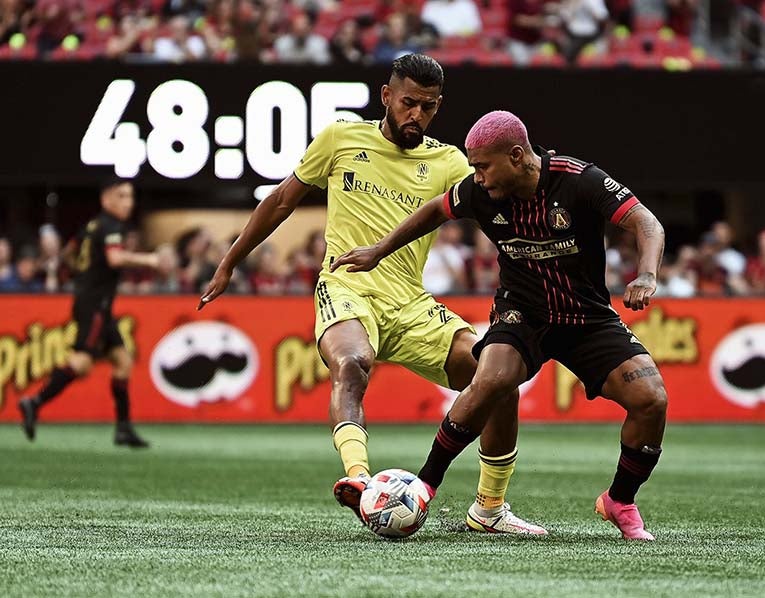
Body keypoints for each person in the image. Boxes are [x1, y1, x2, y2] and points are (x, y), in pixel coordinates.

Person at [198, 56, 544, 534]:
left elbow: (497, 205)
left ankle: (489, 508)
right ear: (386, 96)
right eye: (408, 103)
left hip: (411, 303)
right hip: (346, 288)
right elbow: (281, 200)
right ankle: (360, 481)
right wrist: (230, 261)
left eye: (427, 107)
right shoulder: (341, 139)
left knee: (497, 378)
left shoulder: (448, 163)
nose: (416, 116)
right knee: (352, 363)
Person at [332, 110, 668, 540]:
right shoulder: (479, 193)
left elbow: (646, 222)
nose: (476, 176)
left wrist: (647, 274)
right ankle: (424, 485)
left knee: (651, 399)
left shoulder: (579, 180)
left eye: (482, 166)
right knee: (491, 378)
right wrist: (379, 250)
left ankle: (620, 500)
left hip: (586, 317)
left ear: (516, 156)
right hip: (521, 314)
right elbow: (434, 211)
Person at [19, 179, 160, 447]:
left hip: (94, 303)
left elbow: (69, 255)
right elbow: (115, 259)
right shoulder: (110, 226)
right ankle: (34, 402)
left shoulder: (91, 226)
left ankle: (123, 429)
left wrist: (83, 275)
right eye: (121, 195)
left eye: (130, 196)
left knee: (122, 361)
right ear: (106, 199)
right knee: (82, 362)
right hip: (95, 305)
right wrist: (149, 260)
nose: (127, 202)